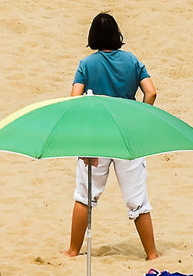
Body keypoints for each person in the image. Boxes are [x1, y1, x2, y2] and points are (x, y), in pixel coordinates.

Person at [64, 12, 158, 260]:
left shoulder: (86, 65)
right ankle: (152, 253)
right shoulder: (132, 61)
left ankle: (73, 251)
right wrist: (141, 119)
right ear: (117, 35)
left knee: (84, 196)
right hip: (127, 136)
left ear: (93, 37)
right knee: (138, 200)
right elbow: (151, 92)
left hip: (95, 138)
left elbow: (75, 100)